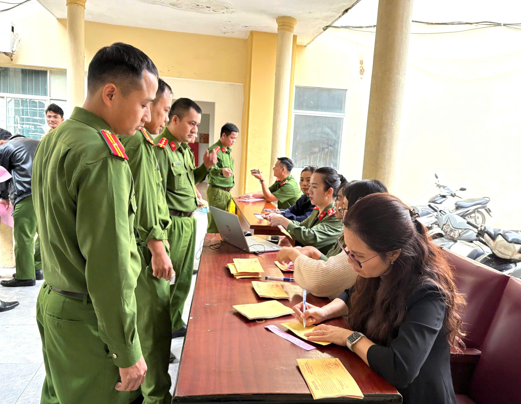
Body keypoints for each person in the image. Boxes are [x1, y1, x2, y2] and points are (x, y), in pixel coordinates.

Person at [32, 42, 158, 404]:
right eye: (144, 104)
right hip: (89, 319)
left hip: (55, 302)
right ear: (111, 94)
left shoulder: (56, 138)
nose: (147, 116)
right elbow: (110, 265)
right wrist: (125, 349)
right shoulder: (103, 156)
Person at [293, 193, 466, 404]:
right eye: (347, 250)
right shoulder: (380, 270)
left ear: (393, 253)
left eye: (359, 256)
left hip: (412, 396)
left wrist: (350, 338)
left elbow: (401, 369)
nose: (350, 261)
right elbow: (352, 293)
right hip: (374, 381)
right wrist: (324, 311)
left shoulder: (428, 294)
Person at [118, 78, 174, 404]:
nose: (162, 119)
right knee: (154, 329)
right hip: (146, 248)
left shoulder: (144, 143)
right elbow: (145, 202)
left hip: (144, 245)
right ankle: (156, 397)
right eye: (164, 110)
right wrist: (157, 248)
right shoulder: (138, 143)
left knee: (146, 324)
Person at [155, 98, 217, 337]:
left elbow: (188, 181)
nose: (195, 130)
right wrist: (160, 235)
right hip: (172, 224)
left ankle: (174, 323)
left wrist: (205, 168)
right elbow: (155, 195)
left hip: (188, 221)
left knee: (182, 280)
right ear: (174, 119)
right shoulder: (161, 149)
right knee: (166, 283)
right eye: (191, 123)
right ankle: (160, 332)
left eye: (197, 125)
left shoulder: (183, 150)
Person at [276, 179, 388, 299]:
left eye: (343, 205)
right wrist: (314, 253)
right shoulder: (317, 210)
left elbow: (323, 280)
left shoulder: (362, 241)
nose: (309, 190)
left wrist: (293, 254)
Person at [0, 128, 42, 287]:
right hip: (47, 194)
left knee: (24, 236)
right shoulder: (37, 143)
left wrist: (4, 196)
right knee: (44, 233)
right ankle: (37, 268)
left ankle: (25, 276)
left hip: (26, 195)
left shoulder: (5, 148)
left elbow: (2, 176)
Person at [268, 167, 344, 254]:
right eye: (310, 185)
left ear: (329, 192)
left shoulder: (336, 215)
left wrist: (284, 221)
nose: (309, 190)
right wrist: (279, 219)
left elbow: (310, 237)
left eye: (314, 187)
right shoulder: (317, 209)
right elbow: (301, 226)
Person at [206, 122, 239, 233]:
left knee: (224, 225)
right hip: (217, 191)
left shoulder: (227, 151)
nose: (234, 141)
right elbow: (209, 169)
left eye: (235, 139)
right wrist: (221, 171)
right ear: (224, 135)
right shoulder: (214, 150)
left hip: (226, 192)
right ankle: (210, 243)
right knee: (215, 224)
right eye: (232, 138)